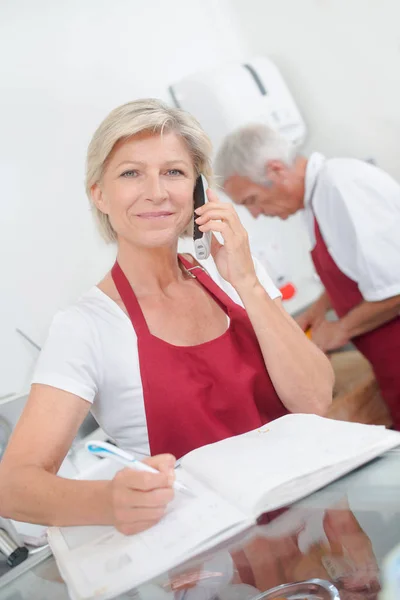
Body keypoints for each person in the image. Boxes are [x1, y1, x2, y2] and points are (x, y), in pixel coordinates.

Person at [0, 100, 332, 535]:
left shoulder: (233, 271)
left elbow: (314, 400)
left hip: (313, 520)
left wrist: (248, 282)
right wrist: (107, 501)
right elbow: (13, 485)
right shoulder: (85, 327)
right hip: (215, 561)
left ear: (199, 190)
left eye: (174, 172)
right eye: (131, 173)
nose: (156, 191)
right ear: (99, 192)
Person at [215, 124, 400, 430]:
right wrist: (319, 308)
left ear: (275, 170)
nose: (256, 214)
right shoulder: (316, 199)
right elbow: (359, 267)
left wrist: (341, 329)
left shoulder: (341, 186)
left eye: (251, 200)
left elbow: (395, 286)